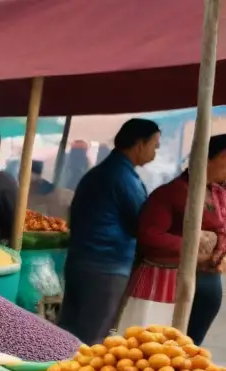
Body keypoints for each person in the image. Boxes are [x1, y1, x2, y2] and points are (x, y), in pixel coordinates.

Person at [58, 119, 160, 344]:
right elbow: (142, 224)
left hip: (81, 261)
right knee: (92, 336)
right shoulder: (122, 178)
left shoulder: (100, 172)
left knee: (70, 329)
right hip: (105, 267)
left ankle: (58, 370)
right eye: (154, 145)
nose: (156, 151)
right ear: (139, 144)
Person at [129, 134, 226, 345]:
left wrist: (217, 248)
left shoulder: (218, 192)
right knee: (158, 348)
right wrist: (194, 246)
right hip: (171, 282)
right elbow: (149, 236)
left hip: (209, 282)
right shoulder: (170, 193)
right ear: (210, 158)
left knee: (189, 349)